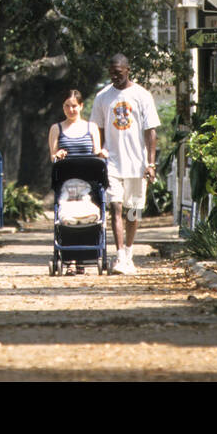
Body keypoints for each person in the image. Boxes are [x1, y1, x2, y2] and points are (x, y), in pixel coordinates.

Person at [90, 54, 159, 275]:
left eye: (118, 73)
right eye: (111, 73)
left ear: (128, 70)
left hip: (137, 165)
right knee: (116, 207)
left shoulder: (142, 95)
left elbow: (151, 131)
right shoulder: (102, 97)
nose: (114, 77)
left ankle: (129, 253)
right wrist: (99, 150)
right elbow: (96, 128)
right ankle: (119, 256)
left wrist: (151, 163)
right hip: (112, 164)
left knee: (133, 211)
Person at [48, 89, 105, 274]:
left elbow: (97, 151)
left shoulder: (91, 127)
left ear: (81, 106)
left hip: (89, 182)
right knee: (67, 217)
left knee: (90, 212)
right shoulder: (56, 128)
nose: (71, 110)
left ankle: (85, 257)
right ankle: (70, 260)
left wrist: (102, 154)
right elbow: (52, 156)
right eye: (67, 106)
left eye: (74, 106)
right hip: (66, 182)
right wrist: (57, 155)